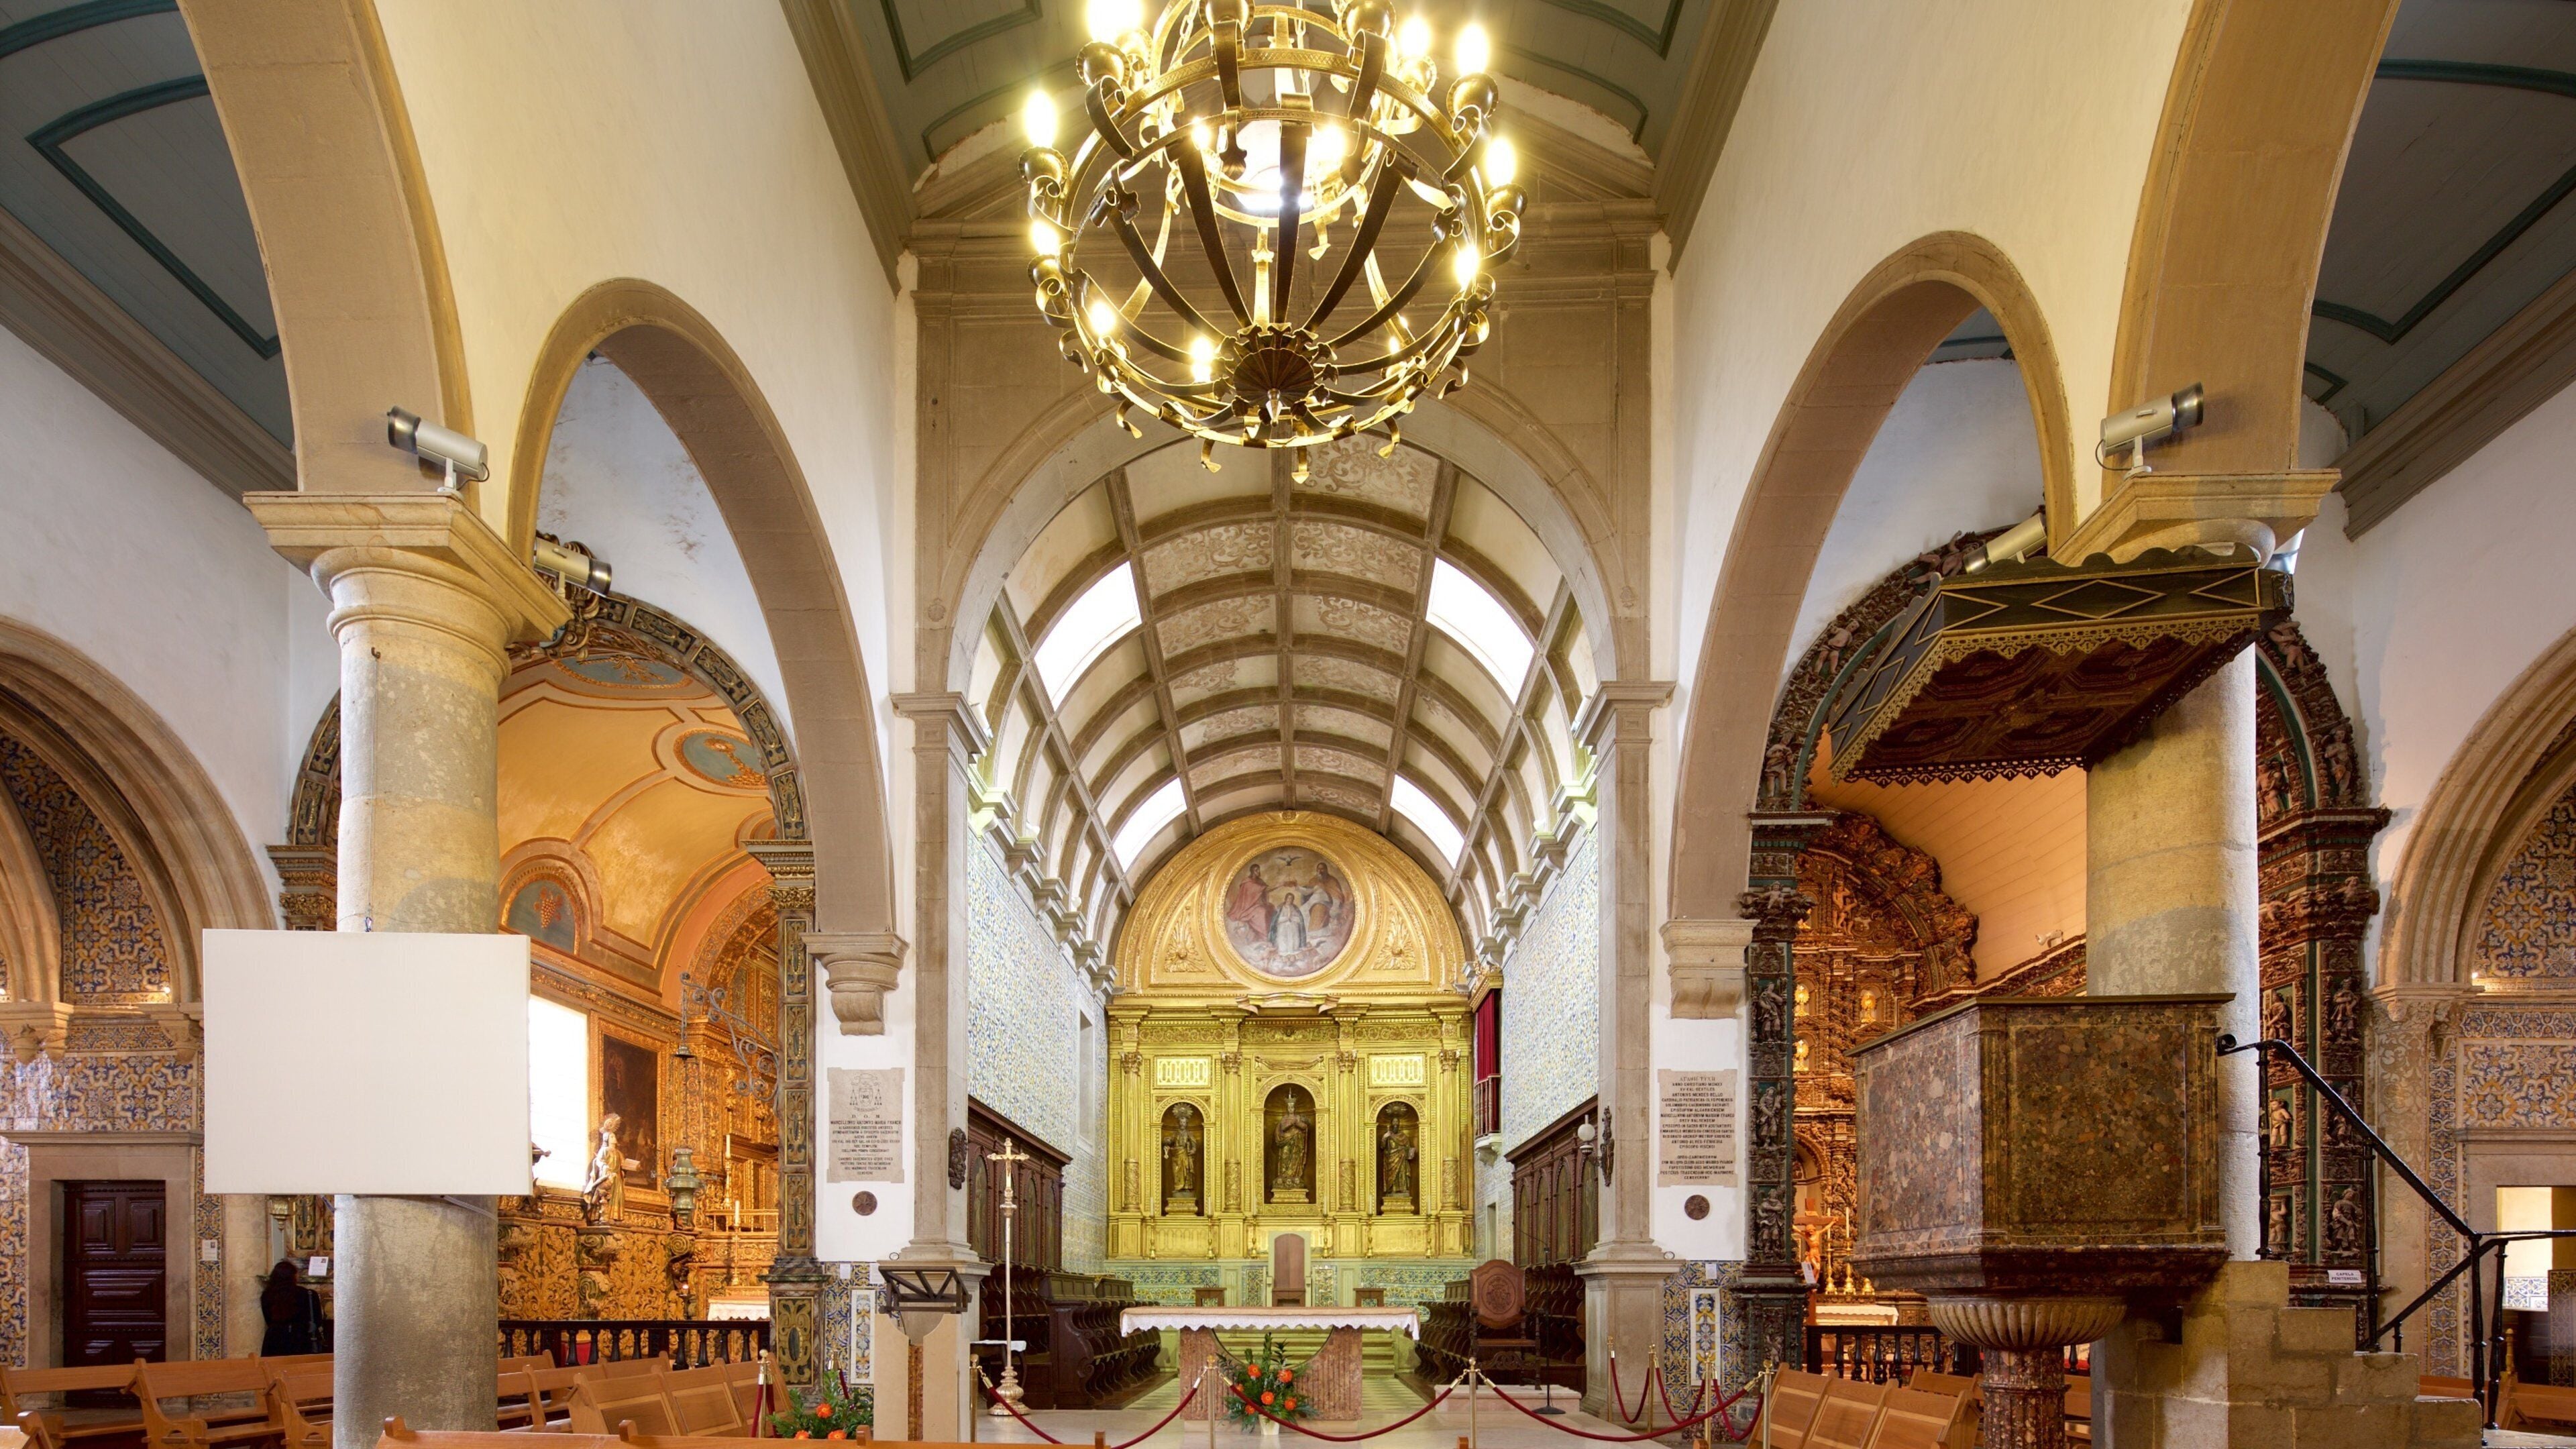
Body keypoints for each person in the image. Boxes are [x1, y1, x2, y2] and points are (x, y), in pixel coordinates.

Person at [260, 1260, 325, 1354]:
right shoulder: (309, 1295)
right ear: (294, 1276)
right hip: (302, 1341)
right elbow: (317, 1321)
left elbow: (268, 1320)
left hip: (274, 1341)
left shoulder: (267, 1295)